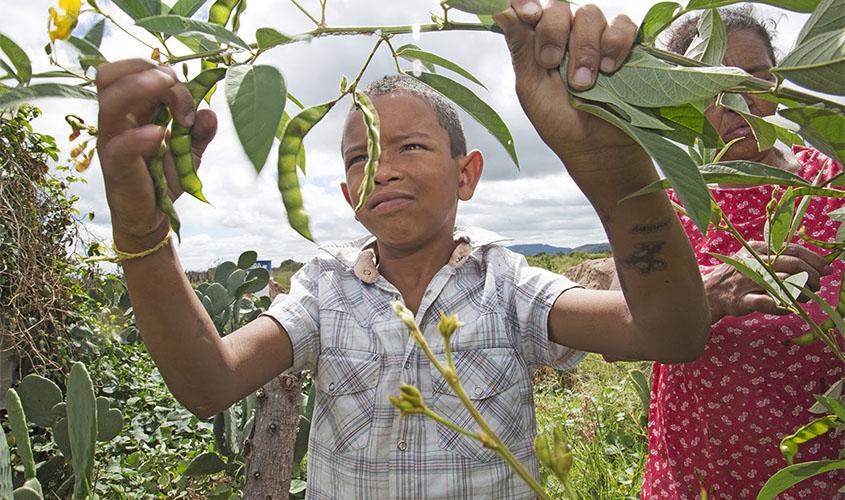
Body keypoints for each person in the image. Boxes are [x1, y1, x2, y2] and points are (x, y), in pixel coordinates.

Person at [94, 1, 710, 497]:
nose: (380, 171)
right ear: (346, 192)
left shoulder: (507, 284)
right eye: (360, 158)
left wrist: (616, 172)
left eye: (409, 147)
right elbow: (209, 384)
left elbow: (667, 335)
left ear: (467, 175)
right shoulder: (322, 289)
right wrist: (143, 236)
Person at [639, 8, 845, 499]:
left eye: (753, 76)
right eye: (711, 86)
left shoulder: (832, 181)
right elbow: (630, 329)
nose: (736, 100)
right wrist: (713, 294)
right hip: (696, 467)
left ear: (779, 82)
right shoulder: (669, 200)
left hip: (818, 469)